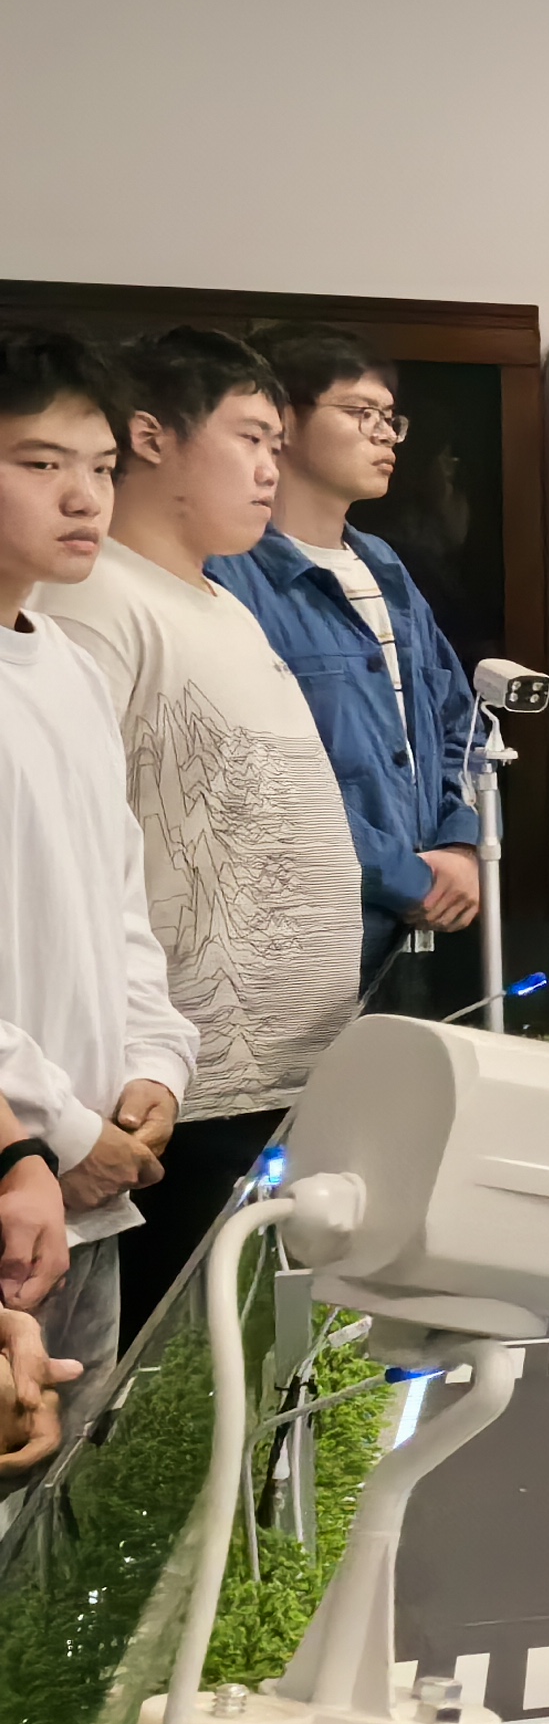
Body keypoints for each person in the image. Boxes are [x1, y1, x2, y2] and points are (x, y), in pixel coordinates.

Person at [29, 329, 342, 1339]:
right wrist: (115, 1082)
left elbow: (143, 860)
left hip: (231, 1078)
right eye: (249, 437)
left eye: (278, 444)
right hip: (153, 1106)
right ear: (157, 437)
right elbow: (77, 881)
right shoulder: (92, 602)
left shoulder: (218, 604)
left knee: (251, 1364)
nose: (270, 469)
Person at [0, 330, 191, 1464]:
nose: (85, 497)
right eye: (40, 463)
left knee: (67, 1505)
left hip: (86, 1184)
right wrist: (61, 1129)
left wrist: (153, 1067)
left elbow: (121, 905)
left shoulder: (66, 665)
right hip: (19, 1168)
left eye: (104, 467)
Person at [210, 320, 488, 981]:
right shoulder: (227, 572)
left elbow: (459, 720)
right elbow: (252, 776)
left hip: (408, 936)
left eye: (391, 418)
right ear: (281, 422)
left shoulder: (382, 564)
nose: (384, 434)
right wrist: (405, 876)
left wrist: (459, 842)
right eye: (360, 412)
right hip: (291, 939)